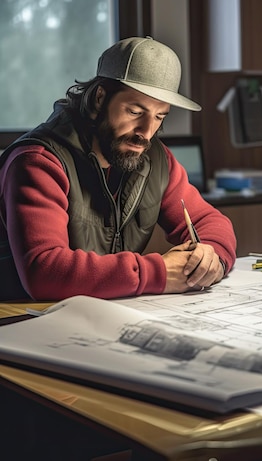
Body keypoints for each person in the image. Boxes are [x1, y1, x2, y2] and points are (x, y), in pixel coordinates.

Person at [0, 36, 236, 301]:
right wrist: (157, 272)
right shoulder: (38, 161)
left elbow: (210, 222)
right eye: (135, 112)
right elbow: (44, 273)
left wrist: (211, 256)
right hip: (22, 321)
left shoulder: (156, 160)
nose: (146, 132)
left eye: (159, 116)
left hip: (98, 316)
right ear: (100, 98)